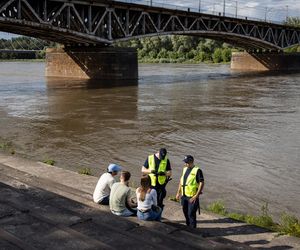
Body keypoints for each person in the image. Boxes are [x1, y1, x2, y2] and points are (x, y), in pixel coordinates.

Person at [176, 155, 204, 228]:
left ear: (191, 162)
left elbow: (201, 183)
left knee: (191, 214)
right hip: (184, 196)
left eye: (187, 163)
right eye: (185, 162)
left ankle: (193, 230)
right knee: (185, 212)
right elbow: (181, 181)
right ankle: (188, 226)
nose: (185, 164)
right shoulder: (184, 169)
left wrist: (196, 196)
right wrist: (178, 192)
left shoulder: (197, 170)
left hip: (192, 197)